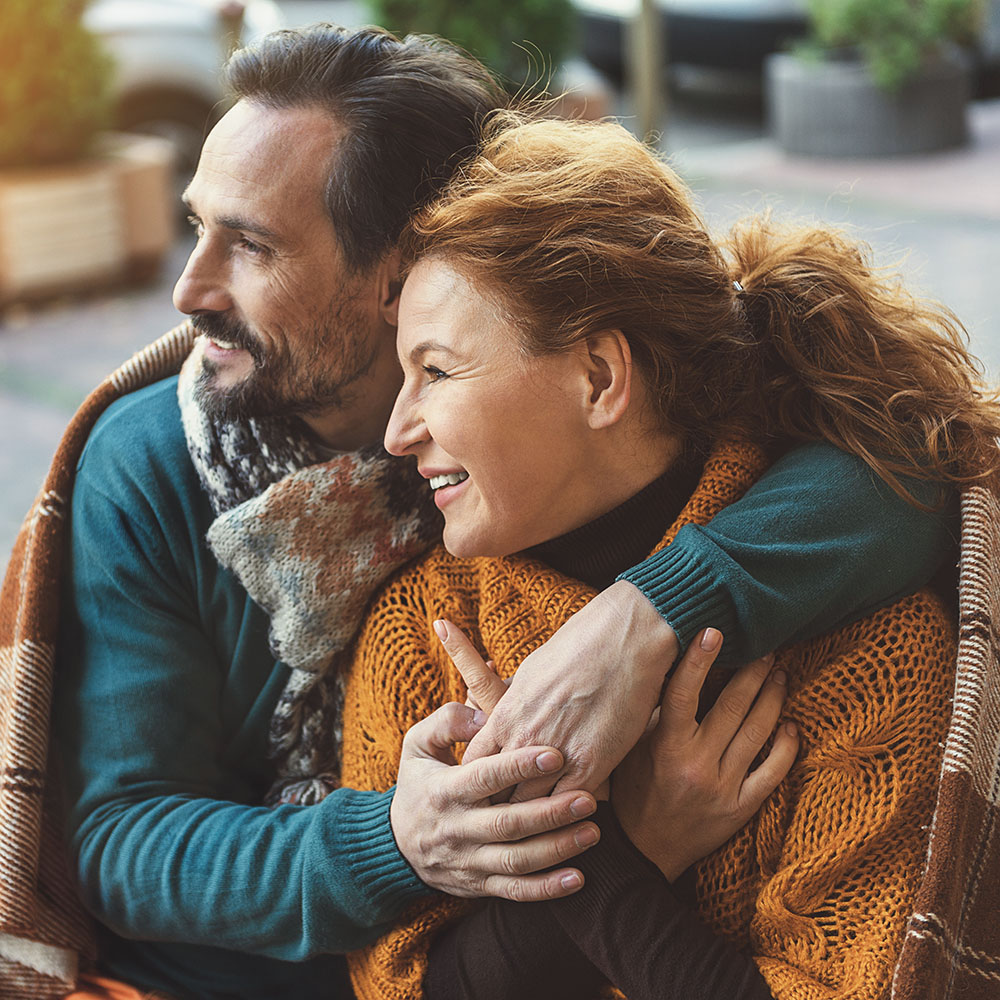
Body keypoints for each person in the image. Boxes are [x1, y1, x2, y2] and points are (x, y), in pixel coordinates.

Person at [0, 23, 957, 1000]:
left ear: (404, 263)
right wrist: (408, 839)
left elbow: (912, 468)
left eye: (250, 244)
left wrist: (644, 621)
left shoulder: (570, 356)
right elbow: (118, 836)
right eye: (195, 224)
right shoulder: (159, 464)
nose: (188, 288)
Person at [336, 112, 1000, 1000]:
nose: (395, 430)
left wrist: (581, 845)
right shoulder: (417, 636)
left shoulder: (871, 657)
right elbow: (402, 989)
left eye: (438, 371)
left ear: (600, 377)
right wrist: (633, 838)